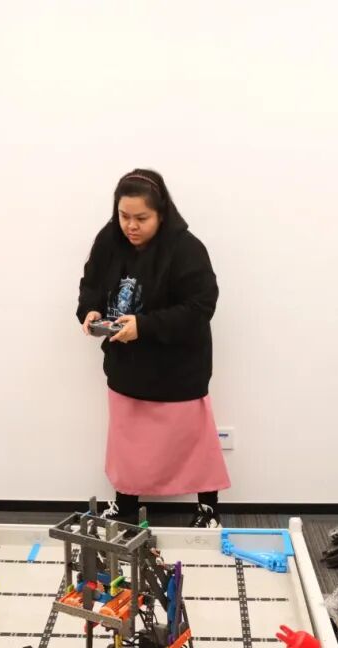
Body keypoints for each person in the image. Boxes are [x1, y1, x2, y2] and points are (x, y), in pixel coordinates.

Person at [77, 169, 230, 528]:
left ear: (162, 214)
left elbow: (200, 307)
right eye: (124, 216)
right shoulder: (109, 240)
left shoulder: (187, 249)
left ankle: (208, 509)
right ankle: (125, 505)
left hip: (178, 368)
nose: (131, 226)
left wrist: (144, 327)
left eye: (141, 218)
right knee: (128, 443)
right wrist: (90, 311)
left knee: (194, 443)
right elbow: (91, 282)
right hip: (128, 365)